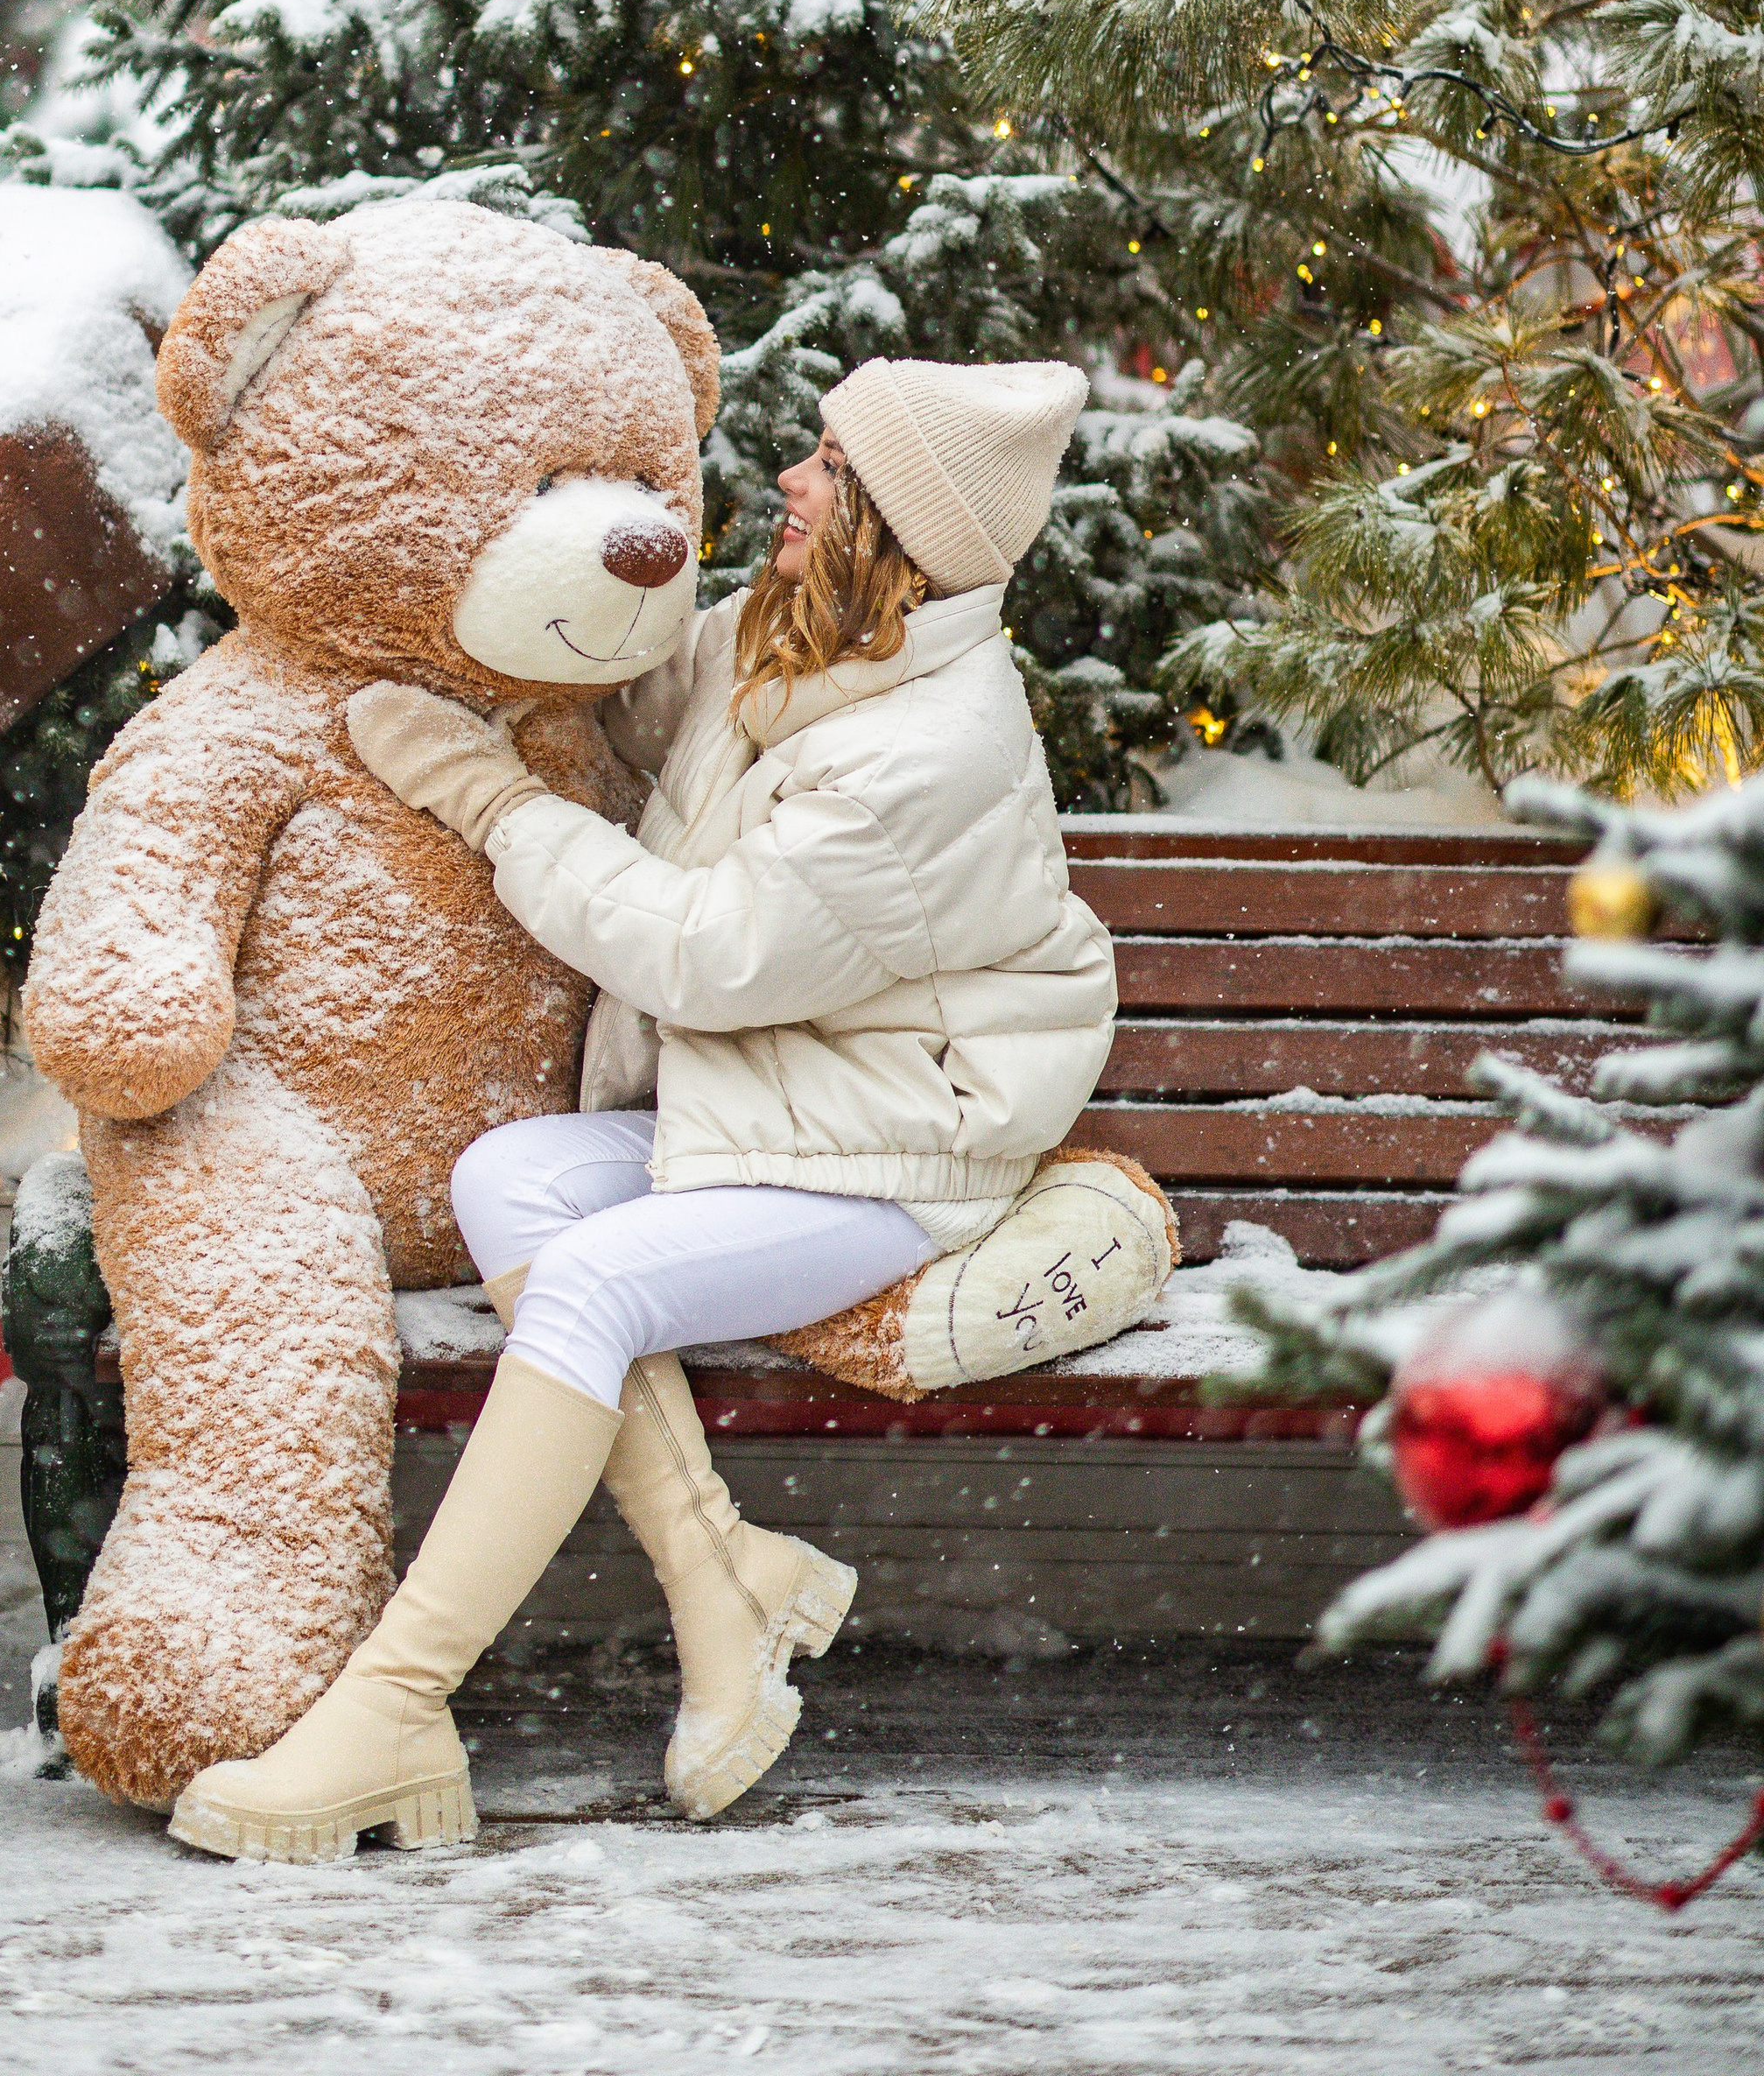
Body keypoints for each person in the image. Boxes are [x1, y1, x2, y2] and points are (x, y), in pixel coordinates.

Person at [171, 356, 1116, 1864]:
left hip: (901, 1157)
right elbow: (625, 701)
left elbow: (703, 954)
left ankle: (397, 1708)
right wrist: (473, 608)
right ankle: (718, 1575)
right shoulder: (791, 632)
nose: (793, 485)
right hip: (791, 1112)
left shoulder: (926, 754)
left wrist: (489, 800)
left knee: (598, 1282)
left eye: (826, 467)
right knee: (513, 1182)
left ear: (896, 523)